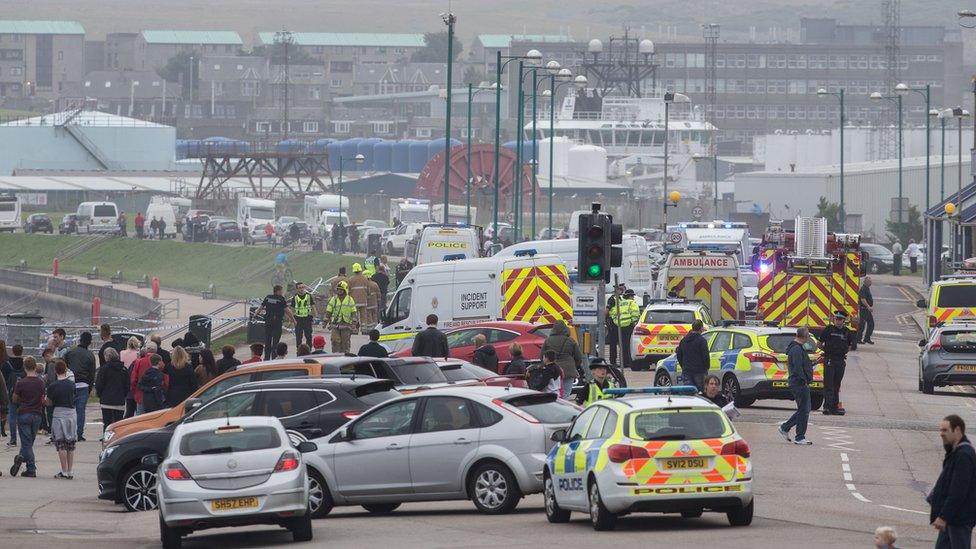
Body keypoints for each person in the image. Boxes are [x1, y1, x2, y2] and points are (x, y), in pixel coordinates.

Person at [928, 414, 976, 548]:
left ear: (958, 430)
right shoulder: (955, 452)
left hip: (959, 518)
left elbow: (958, 491)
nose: (941, 434)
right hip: (952, 518)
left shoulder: (964, 455)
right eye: (940, 430)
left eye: (945, 430)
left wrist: (943, 517)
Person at [778, 327, 815, 445]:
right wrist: (804, 380)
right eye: (808, 336)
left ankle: (785, 428)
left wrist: (814, 363)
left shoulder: (797, 348)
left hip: (798, 382)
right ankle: (799, 437)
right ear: (804, 337)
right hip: (799, 383)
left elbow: (802, 365)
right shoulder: (797, 349)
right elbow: (798, 367)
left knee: (803, 409)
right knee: (804, 410)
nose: (808, 338)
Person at [10, 359, 45, 478]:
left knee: (26, 443)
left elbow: (14, 399)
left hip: (24, 413)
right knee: (29, 442)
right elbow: (42, 398)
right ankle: (21, 457)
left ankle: (31, 468)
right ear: (35, 367)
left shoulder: (21, 383)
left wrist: (22, 400)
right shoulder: (41, 382)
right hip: (37, 414)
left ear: (24, 368)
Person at [46, 359, 77, 479]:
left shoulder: (52, 386)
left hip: (59, 413)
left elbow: (48, 403)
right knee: (70, 443)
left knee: (61, 444)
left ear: (55, 371)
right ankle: (70, 470)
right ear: (65, 370)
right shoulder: (71, 384)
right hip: (71, 413)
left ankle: (63, 470)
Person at [63, 331, 96, 441]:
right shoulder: (90, 355)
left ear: (80, 340)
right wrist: (90, 388)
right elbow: (92, 374)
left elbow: (63, 367)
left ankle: (67, 432)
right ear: (90, 342)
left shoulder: (69, 352)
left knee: (68, 410)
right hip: (84, 385)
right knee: (80, 411)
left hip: (70, 384)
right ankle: (79, 433)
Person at [821, 310, 854, 415]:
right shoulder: (828, 329)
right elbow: (819, 343)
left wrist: (842, 352)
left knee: (836, 385)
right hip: (830, 359)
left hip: (840, 360)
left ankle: (834, 408)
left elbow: (849, 346)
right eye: (836, 319)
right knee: (828, 385)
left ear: (844, 321)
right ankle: (826, 407)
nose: (838, 321)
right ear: (833, 319)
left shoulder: (847, 332)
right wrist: (826, 351)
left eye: (840, 319)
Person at [541, 319, 585, 398]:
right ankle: (565, 408)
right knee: (566, 394)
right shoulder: (571, 341)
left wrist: (546, 365)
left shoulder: (548, 341)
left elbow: (542, 356)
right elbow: (578, 357)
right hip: (569, 370)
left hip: (553, 371)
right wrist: (574, 366)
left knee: (554, 392)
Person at [95, 348, 127, 430]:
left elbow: (99, 384)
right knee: (119, 424)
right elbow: (127, 385)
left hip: (106, 400)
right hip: (119, 400)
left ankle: (107, 439)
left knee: (107, 423)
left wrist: (100, 395)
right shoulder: (123, 369)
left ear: (107, 357)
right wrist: (123, 395)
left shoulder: (104, 369)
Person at [608, 288, 640, 370]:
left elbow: (612, 312)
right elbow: (635, 313)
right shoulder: (631, 302)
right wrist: (634, 322)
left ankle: (613, 362)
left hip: (616, 325)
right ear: (630, 296)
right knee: (626, 345)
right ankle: (625, 362)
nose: (633, 298)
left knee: (614, 345)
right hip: (627, 326)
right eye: (632, 296)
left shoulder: (619, 302)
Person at [255, 285, 288, 360]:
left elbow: (261, 307)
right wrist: (293, 319)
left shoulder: (268, 297)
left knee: (267, 341)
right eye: (281, 291)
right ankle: (274, 358)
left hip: (268, 322)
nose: (282, 292)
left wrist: (256, 314)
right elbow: (287, 310)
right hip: (277, 323)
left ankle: (266, 358)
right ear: (278, 291)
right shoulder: (281, 299)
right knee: (276, 341)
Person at [676, 320, 710, 390]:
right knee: (701, 394)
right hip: (699, 371)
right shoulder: (702, 341)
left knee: (689, 394)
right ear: (701, 328)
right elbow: (705, 356)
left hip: (687, 371)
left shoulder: (683, 340)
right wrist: (706, 367)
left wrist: (684, 366)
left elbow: (679, 355)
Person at [327, 281, 360, 354]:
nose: (339, 291)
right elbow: (329, 310)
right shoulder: (334, 299)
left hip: (346, 325)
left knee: (345, 343)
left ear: (345, 290)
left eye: (341, 289)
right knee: (335, 341)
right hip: (335, 324)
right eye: (338, 289)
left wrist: (354, 323)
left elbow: (353, 311)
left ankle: (345, 356)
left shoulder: (349, 299)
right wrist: (325, 320)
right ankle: (335, 355)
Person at [129, 341, 157, 415]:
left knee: (140, 419)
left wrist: (134, 391)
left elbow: (133, 379)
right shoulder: (160, 362)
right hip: (155, 396)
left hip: (141, 395)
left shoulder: (139, 362)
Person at [0, 340, 20, 446]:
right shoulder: (8, 362)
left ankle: (12, 438)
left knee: (12, 416)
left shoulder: (7, 362)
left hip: (7, 389)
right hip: (12, 390)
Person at [289, 281, 315, 349]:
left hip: (307, 318)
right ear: (297, 289)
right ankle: (299, 351)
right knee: (298, 337)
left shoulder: (308, 296)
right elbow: (292, 309)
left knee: (309, 336)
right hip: (298, 319)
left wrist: (315, 315)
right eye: (300, 288)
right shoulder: (295, 297)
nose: (302, 289)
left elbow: (313, 306)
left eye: (303, 287)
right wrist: (292, 319)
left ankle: (309, 350)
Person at [347, 263, 370, 333]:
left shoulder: (351, 279)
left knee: (354, 316)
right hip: (363, 300)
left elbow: (348, 290)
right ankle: (364, 330)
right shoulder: (365, 279)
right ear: (360, 270)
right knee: (363, 316)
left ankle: (355, 330)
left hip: (354, 301)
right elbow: (368, 290)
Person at [858, 276, 875, 345]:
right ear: (865, 282)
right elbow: (863, 299)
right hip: (864, 309)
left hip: (867, 310)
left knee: (871, 324)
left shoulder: (867, 288)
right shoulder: (863, 289)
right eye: (869, 282)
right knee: (862, 325)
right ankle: (858, 339)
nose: (871, 283)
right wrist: (868, 306)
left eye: (871, 281)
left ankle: (867, 338)